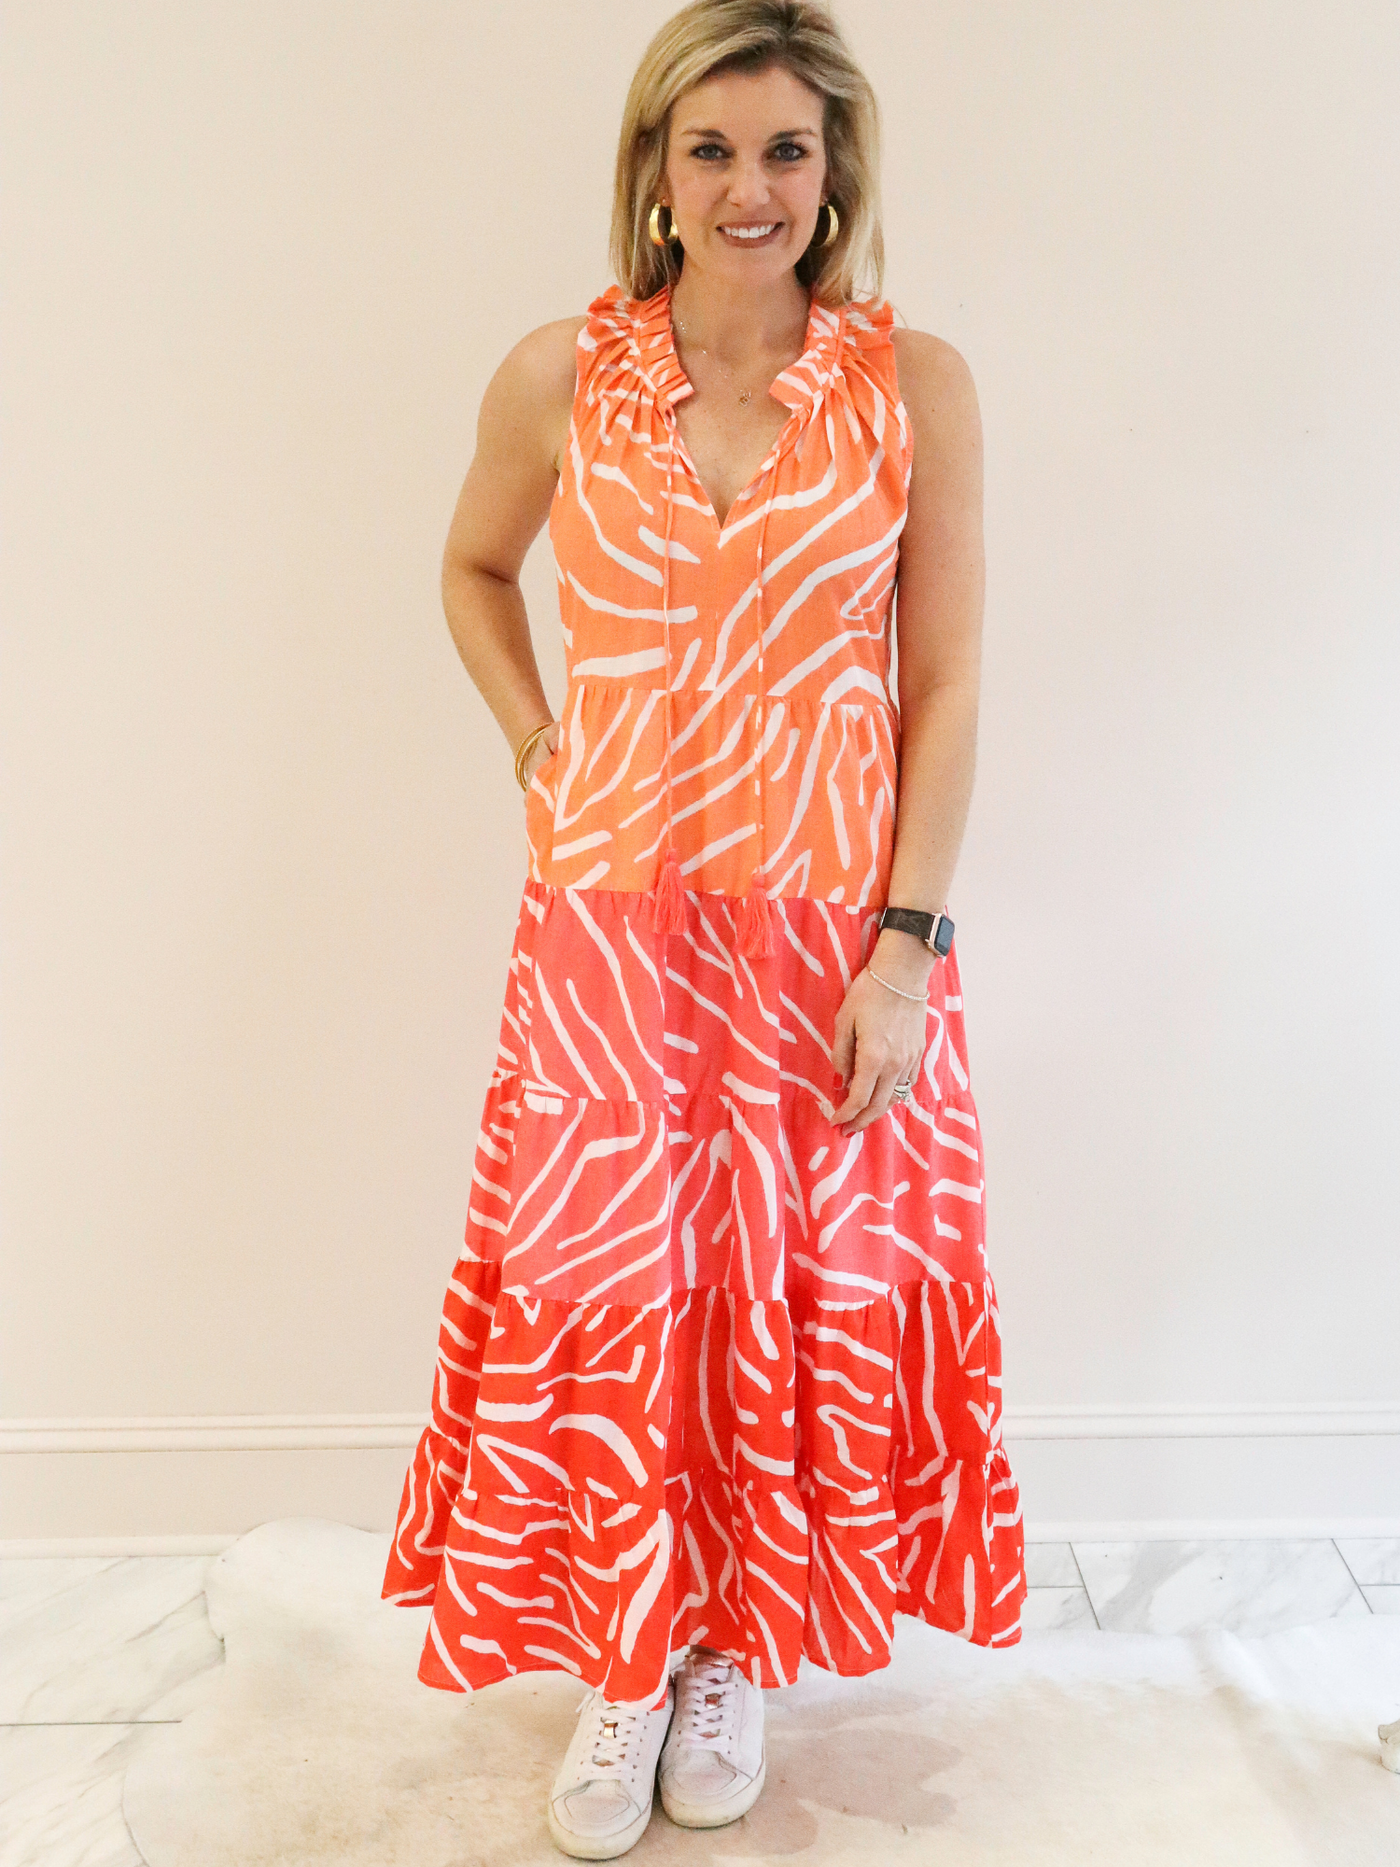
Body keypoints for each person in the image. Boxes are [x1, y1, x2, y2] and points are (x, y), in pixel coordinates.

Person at [382, 1, 1026, 1856]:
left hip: (827, 926)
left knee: (777, 1288)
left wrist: (907, 943)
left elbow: (946, 680)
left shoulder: (914, 387)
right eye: (713, 149)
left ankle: (730, 1645)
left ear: (836, 172)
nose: (752, 188)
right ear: (655, 170)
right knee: (616, 1288)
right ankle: (628, 1653)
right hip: (612, 932)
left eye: (786, 149)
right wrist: (537, 740)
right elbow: (472, 566)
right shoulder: (559, 375)